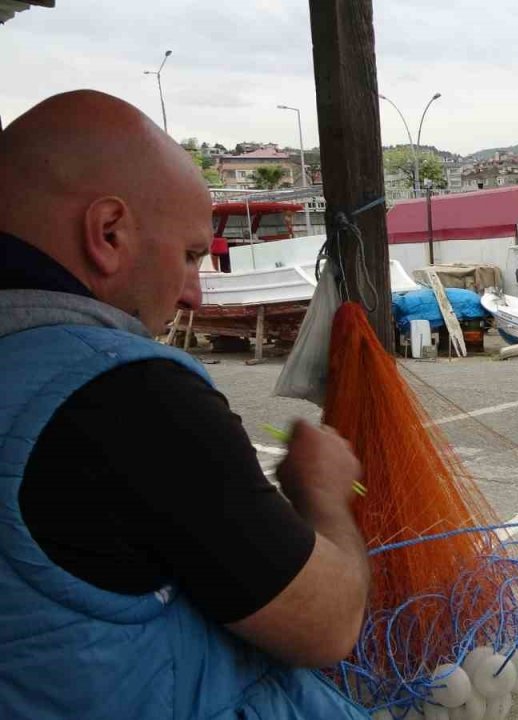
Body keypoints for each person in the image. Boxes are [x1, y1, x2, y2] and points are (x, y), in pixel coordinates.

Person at [0, 91, 371, 718]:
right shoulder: (131, 397)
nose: (196, 295)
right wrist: (323, 493)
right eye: (191, 255)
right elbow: (328, 624)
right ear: (108, 233)